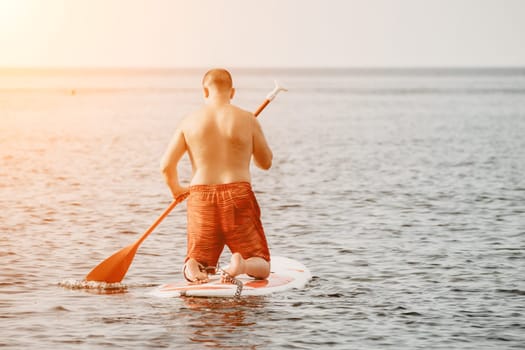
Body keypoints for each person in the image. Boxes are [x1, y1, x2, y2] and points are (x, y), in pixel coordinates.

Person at [160, 68, 273, 284]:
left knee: (199, 258)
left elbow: (166, 165)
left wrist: (177, 190)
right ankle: (243, 265)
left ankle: (193, 265)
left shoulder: (189, 121)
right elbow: (265, 162)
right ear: (232, 92)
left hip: (200, 195)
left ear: (205, 91)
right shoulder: (247, 119)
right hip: (237, 194)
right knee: (262, 264)